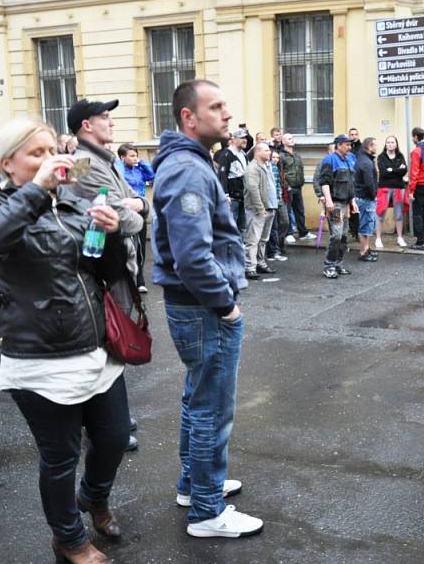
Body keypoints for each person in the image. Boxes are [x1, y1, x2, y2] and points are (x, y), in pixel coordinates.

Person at [0, 117, 124, 564]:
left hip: (95, 346)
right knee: (60, 458)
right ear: (8, 163)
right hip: (41, 357)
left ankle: (94, 497)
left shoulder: (67, 202)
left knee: (114, 438)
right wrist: (35, 191)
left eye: (53, 152)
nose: (51, 161)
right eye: (36, 154)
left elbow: (96, 268)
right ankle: (68, 537)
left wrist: (111, 232)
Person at [152, 79, 262, 539]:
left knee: (199, 399)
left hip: (196, 307)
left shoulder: (191, 163)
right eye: (216, 106)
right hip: (204, 309)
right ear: (188, 118)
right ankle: (206, 510)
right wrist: (227, 306)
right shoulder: (188, 170)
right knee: (211, 409)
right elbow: (192, 257)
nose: (228, 114)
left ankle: (194, 486)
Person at [68, 98, 148, 453]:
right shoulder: (85, 164)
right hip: (102, 264)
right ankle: (102, 426)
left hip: (117, 260)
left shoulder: (105, 159)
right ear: (86, 125)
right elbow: (120, 214)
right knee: (107, 341)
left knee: (113, 342)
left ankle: (116, 414)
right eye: (104, 117)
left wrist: (138, 206)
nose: (111, 122)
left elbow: (136, 200)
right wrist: (137, 212)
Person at [116, 143, 155, 293]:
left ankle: (140, 279)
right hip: (125, 209)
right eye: (131, 155)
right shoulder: (119, 168)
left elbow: (152, 175)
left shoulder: (139, 169)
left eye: (136, 155)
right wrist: (120, 163)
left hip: (140, 209)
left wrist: (143, 163)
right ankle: (125, 277)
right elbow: (119, 178)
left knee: (140, 245)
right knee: (125, 245)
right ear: (122, 157)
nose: (135, 158)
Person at [317, 134, 358, 278]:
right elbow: (324, 182)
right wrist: (328, 201)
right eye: (347, 144)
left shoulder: (350, 159)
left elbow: (351, 184)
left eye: (350, 144)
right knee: (336, 235)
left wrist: (352, 201)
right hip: (335, 204)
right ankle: (329, 265)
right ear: (339, 145)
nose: (349, 147)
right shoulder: (330, 160)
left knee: (344, 236)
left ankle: (339, 264)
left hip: (346, 204)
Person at [243, 142, 278, 280]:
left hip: (270, 207)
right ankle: (250, 267)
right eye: (266, 150)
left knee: (263, 239)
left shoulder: (267, 166)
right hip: (258, 209)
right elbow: (253, 189)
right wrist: (260, 208)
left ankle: (260, 263)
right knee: (253, 239)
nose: (269, 152)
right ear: (258, 152)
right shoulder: (252, 168)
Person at [280, 133, 315, 243]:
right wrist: (285, 186)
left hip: (298, 186)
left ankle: (303, 232)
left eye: (292, 138)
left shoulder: (296, 155)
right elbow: (281, 172)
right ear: (283, 142)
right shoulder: (281, 156)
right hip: (288, 188)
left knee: (300, 210)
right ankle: (288, 233)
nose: (292, 140)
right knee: (288, 211)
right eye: (289, 139)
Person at [375, 135, 409, 248]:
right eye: (388, 142)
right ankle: (378, 238)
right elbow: (383, 172)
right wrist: (397, 170)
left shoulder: (400, 156)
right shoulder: (381, 157)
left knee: (399, 214)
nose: (390, 144)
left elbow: (404, 171)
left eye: (392, 142)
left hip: (399, 188)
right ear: (385, 145)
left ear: (396, 144)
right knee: (380, 213)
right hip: (384, 188)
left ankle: (400, 237)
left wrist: (392, 170)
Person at [217, 129, 249, 233]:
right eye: (242, 138)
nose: (245, 140)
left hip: (243, 196)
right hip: (232, 197)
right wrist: (225, 194)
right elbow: (222, 175)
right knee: (232, 227)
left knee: (242, 227)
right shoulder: (226, 155)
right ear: (233, 140)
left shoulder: (243, 154)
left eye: (246, 138)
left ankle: (241, 248)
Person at [354, 137, 379, 261]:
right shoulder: (366, 162)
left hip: (365, 197)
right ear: (369, 147)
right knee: (365, 226)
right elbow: (369, 182)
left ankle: (367, 249)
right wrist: (374, 195)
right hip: (365, 198)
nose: (376, 148)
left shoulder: (364, 159)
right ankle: (363, 252)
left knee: (368, 225)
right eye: (374, 145)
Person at [265, 149, 289, 262]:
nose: (275, 160)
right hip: (270, 200)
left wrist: (279, 195)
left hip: (278, 198)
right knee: (272, 226)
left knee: (285, 221)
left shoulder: (277, 168)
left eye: (277, 158)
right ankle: (273, 250)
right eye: (273, 157)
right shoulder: (267, 167)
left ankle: (278, 244)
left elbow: (278, 183)